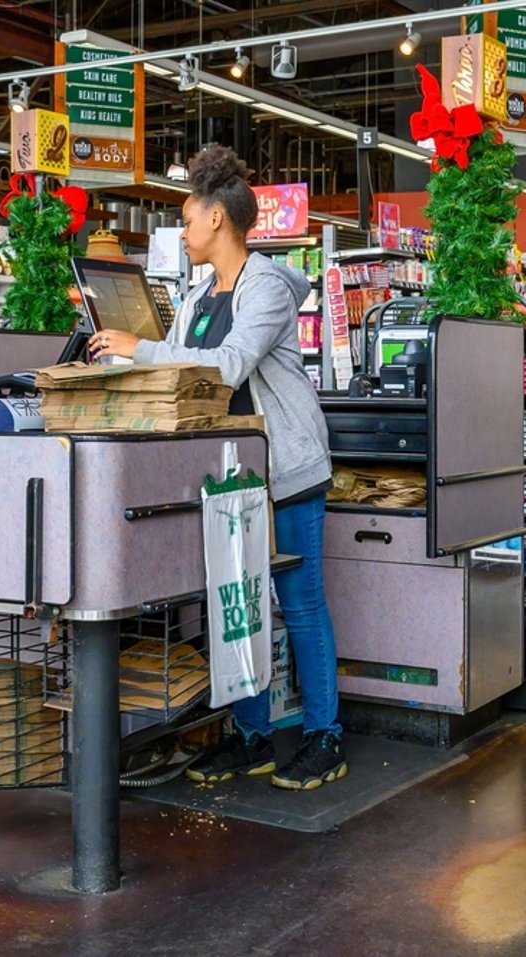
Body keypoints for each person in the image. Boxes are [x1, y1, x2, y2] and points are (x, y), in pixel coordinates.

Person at [87, 144, 345, 792]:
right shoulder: (202, 292)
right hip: (233, 476)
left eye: (186, 216)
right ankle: (252, 735)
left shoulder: (267, 290)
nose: (182, 230)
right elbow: (178, 355)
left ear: (216, 221)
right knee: (243, 605)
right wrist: (126, 353)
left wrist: (139, 348)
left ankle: (323, 735)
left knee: (301, 602)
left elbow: (227, 365)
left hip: (287, 470)